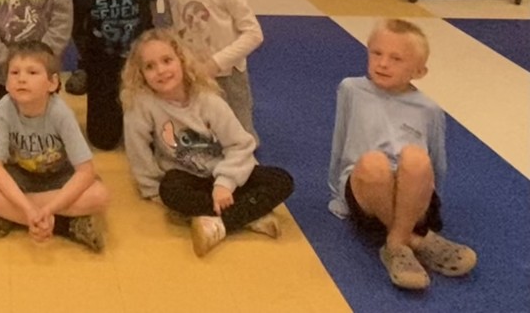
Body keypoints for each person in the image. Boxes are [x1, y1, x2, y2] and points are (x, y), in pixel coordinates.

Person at [328, 19, 477, 291]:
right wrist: (338, 195)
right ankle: (416, 239)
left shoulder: (429, 109)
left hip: (412, 191)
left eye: (396, 58)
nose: (383, 63)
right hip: (366, 188)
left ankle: (396, 243)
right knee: (374, 162)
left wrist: (429, 205)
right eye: (376, 53)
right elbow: (340, 143)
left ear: (419, 71)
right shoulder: (351, 89)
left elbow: (436, 161)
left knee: (415, 157)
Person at [121, 29, 293, 257]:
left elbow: (240, 145)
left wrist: (225, 183)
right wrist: (152, 190)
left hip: (225, 176)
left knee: (282, 180)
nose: (161, 71)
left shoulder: (208, 101)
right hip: (187, 179)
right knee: (169, 189)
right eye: (150, 67)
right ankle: (248, 215)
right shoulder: (142, 105)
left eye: (167, 61)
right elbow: (138, 150)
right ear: (141, 74)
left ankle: (219, 224)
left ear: (181, 61)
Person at [0, 41, 109, 251]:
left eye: (32, 72)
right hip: (21, 176)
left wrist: (46, 208)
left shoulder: (60, 113)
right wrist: (29, 210)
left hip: (59, 178)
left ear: (52, 83)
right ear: (6, 84)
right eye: (14, 72)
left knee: (100, 196)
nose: (22, 79)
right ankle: (67, 224)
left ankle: (12, 217)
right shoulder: (4, 108)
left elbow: (86, 171)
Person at [157, 0, 262, 139]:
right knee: (204, 134)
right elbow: (173, 32)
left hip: (228, 76)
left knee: (240, 136)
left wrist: (216, 63)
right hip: (193, 75)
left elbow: (254, 34)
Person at [69, 0, 154, 150]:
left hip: (141, 68)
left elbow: (151, 19)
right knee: (103, 141)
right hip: (102, 71)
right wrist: (89, 67)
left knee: (151, 140)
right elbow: (77, 32)